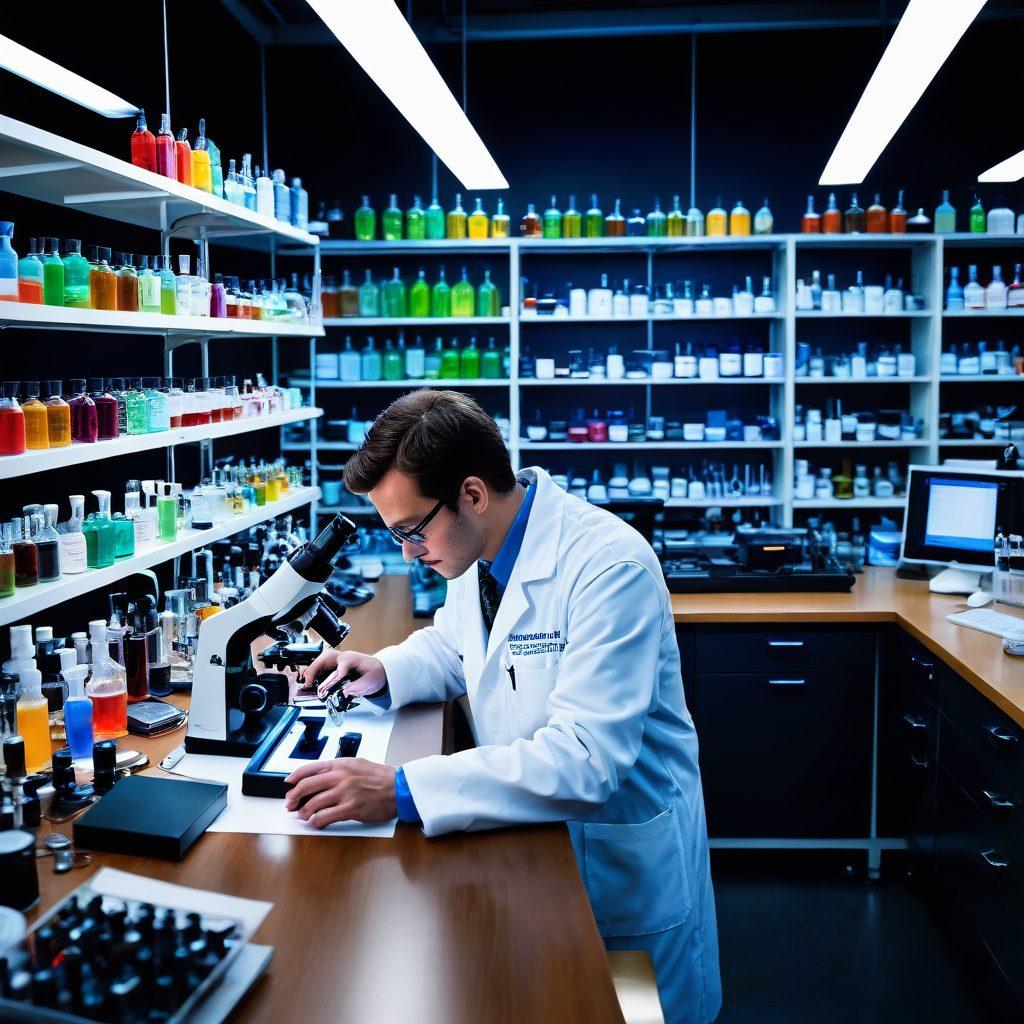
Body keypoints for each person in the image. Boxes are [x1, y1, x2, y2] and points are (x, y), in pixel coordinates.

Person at [286, 390, 721, 1024]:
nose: (407, 552)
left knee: (630, 1011)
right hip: (534, 845)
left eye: (411, 530)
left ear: (472, 494)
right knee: (556, 1002)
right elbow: (460, 647)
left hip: (619, 860)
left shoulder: (608, 566)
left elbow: (585, 760)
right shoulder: (476, 550)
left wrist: (401, 788)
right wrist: (384, 669)